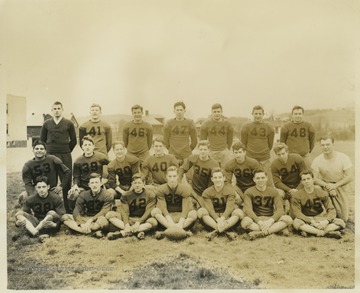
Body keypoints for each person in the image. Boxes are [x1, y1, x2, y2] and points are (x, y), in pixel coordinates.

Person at [40, 101, 77, 212]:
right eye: (54, 109)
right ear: (52, 110)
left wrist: (65, 150)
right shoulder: (47, 123)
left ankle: (68, 208)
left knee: (66, 180)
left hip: (65, 154)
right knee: (50, 180)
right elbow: (42, 139)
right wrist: (49, 150)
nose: (56, 110)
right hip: (50, 154)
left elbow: (74, 140)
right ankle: (50, 206)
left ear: (62, 110)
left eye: (58, 108)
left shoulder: (68, 123)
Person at [291, 170, 345, 239]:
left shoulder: (322, 193)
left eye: (308, 178)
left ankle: (312, 232)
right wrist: (311, 221)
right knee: (296, 222)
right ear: (301, 182)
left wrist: (326, 221)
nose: (306, 181)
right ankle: (325, 233)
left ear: (313, 179)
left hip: (320, 218)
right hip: (306, 218)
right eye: (304, 180)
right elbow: (297, 213)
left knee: (340, 222)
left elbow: (331, 209)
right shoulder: (297, 195)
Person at [241, 169, 293, 240]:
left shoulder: (273, 191)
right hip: (256, 219)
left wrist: (270, 221)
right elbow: (248, 210)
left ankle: (262, 233)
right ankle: (274, 230)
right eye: (258, 178)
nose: (260, 180)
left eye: (262, 178)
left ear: (266, 178)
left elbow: (280, 209)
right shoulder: (249, 192)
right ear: (254, 179)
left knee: (288, 219)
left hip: (270, 218)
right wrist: (258, 221)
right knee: (245, 221)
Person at [311, 136, 353, 222]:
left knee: (343, 218)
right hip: (325, 186)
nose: (325, 147)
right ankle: (321, 214)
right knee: (316, 188)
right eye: (323, 145)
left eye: (328, 144)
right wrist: (327, 186)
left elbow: (350, 176)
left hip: (340, 185)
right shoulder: (317, 160)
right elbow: (314, 178)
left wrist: (335, 186)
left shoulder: (343, 157)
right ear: (320, 146)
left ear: (333, 144)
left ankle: (338, 213)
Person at [106, 173, 158, 240]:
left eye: (139, 183)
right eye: (135, 183)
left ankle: (124, 233)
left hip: (144, 219)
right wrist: (126, 224)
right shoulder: (126, 195)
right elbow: (125, 211)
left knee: (153, 222)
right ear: (132, 184)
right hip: (130, 218)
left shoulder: (150, 195)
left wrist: (138, 222)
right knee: (109, 215)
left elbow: (148, 212)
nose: (137, 185)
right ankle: (137, 231)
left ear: (144, 183)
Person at [18, 140, 71, 206]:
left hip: (51, 190)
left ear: (45, 151)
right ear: (33, 150)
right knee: (23, 196)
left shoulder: (53, 159)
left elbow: (67, 171)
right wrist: (33, 195)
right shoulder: (28, 165)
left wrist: (61, 186)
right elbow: (27, 183)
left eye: (41, 149)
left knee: (55, 203)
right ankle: (28, 211)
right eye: (37, 149)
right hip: (37, 190)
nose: (39, 150)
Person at [197, 167, 244, 240]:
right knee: (201, 211)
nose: (217, 179)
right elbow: (210, 209)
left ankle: (215, 232)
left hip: (227, 218)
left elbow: (230, 207)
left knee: (239, 212)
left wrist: (222, 219)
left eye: (219, 177)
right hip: (212, 219)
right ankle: (225, 232)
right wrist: (218, 220)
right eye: (215, 177)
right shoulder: (207, 192)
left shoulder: (230, 190)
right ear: (212, 179)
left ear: (224, 178)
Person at [62, 173, 113, 237]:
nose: (94, 185)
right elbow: (77, 209)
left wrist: (90, 220)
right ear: (89, 185)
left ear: (101, 183)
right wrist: (81, 223)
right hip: (86, 218)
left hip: (99, 219)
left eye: (96, 182)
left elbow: (104, 211)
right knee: (65, 217)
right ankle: (91, 232)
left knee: (101, 222)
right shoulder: (84, 194)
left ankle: (78, 230)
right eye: (92, 183)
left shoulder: (107, 195)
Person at [15, 176, 65, 241]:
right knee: (19, 213)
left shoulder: (56, 198)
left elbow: (62, 216)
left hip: (49, 224)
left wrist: (55, 225)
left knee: (51, 213)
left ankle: (34, 232)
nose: (41, 190)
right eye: (39, 187)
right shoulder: (31, 199)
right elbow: (24, 213)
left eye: (44, 187)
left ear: (48, 187)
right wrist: (17, 223)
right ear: (36, 188)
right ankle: (36, 233)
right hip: (37, 222)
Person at [151, 166, 197, 231]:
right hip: (167, 215)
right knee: (154, 211)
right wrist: (170, 222)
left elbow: (186, 207)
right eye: (170, 176)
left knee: (193, 214)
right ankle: (172, 228)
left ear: (177, 176)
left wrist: (180, 223)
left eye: (174, 176)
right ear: (166, 176)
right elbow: (163, 207)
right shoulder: (161, 189)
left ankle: (178, 228)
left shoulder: (185, 188)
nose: (172, 179)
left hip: (181, 214)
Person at [68, 135, 110, 208]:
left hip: (97, 185)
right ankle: (74, 211)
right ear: (82, 147)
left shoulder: (100, 157)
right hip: (84, 185)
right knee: (73, 194)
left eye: (89, 145)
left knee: (109, 194)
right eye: (85, 145)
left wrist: (106, 177)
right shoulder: (78, 160)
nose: (87, 147)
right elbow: (76, 176)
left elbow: (112, 165)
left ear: (93, 146)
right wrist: (75, 185)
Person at [240, 105, 275, 185]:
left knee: (266, 180)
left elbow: (270, 144)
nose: (258, 116)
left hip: (264, 157)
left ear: (263, 114)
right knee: (250, 180)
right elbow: (243, 144)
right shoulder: (246, 126)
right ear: (252, 114)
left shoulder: (269, 127)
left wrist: (263, 151)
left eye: (260, 114)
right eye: (256, 113)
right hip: (250, 157)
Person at [178, 140, 219, 207]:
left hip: (207, 189)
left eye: (205, 149)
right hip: (194, 188)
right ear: (198, 150)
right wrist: (179, 181)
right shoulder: (193, 158)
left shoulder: (214, 164)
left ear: (209, 150)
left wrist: (206, 195)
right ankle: (195, 200)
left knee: (209, 206)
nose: (202, 151)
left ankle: (198, 201)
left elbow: (214, 183)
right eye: (201, 149)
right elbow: (182, 169)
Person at [271, 142, 306, 212]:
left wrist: (297, 189)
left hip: (299, 185)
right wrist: (289, 190)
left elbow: (305, 175)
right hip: (286, 187)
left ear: (287, 152)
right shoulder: (274, 164)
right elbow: (277, 182)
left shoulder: (297, 158)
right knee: (278, 193)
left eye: (283, 153)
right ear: (276, 155)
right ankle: (280, 212)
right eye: (279, 154)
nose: (281, 156)